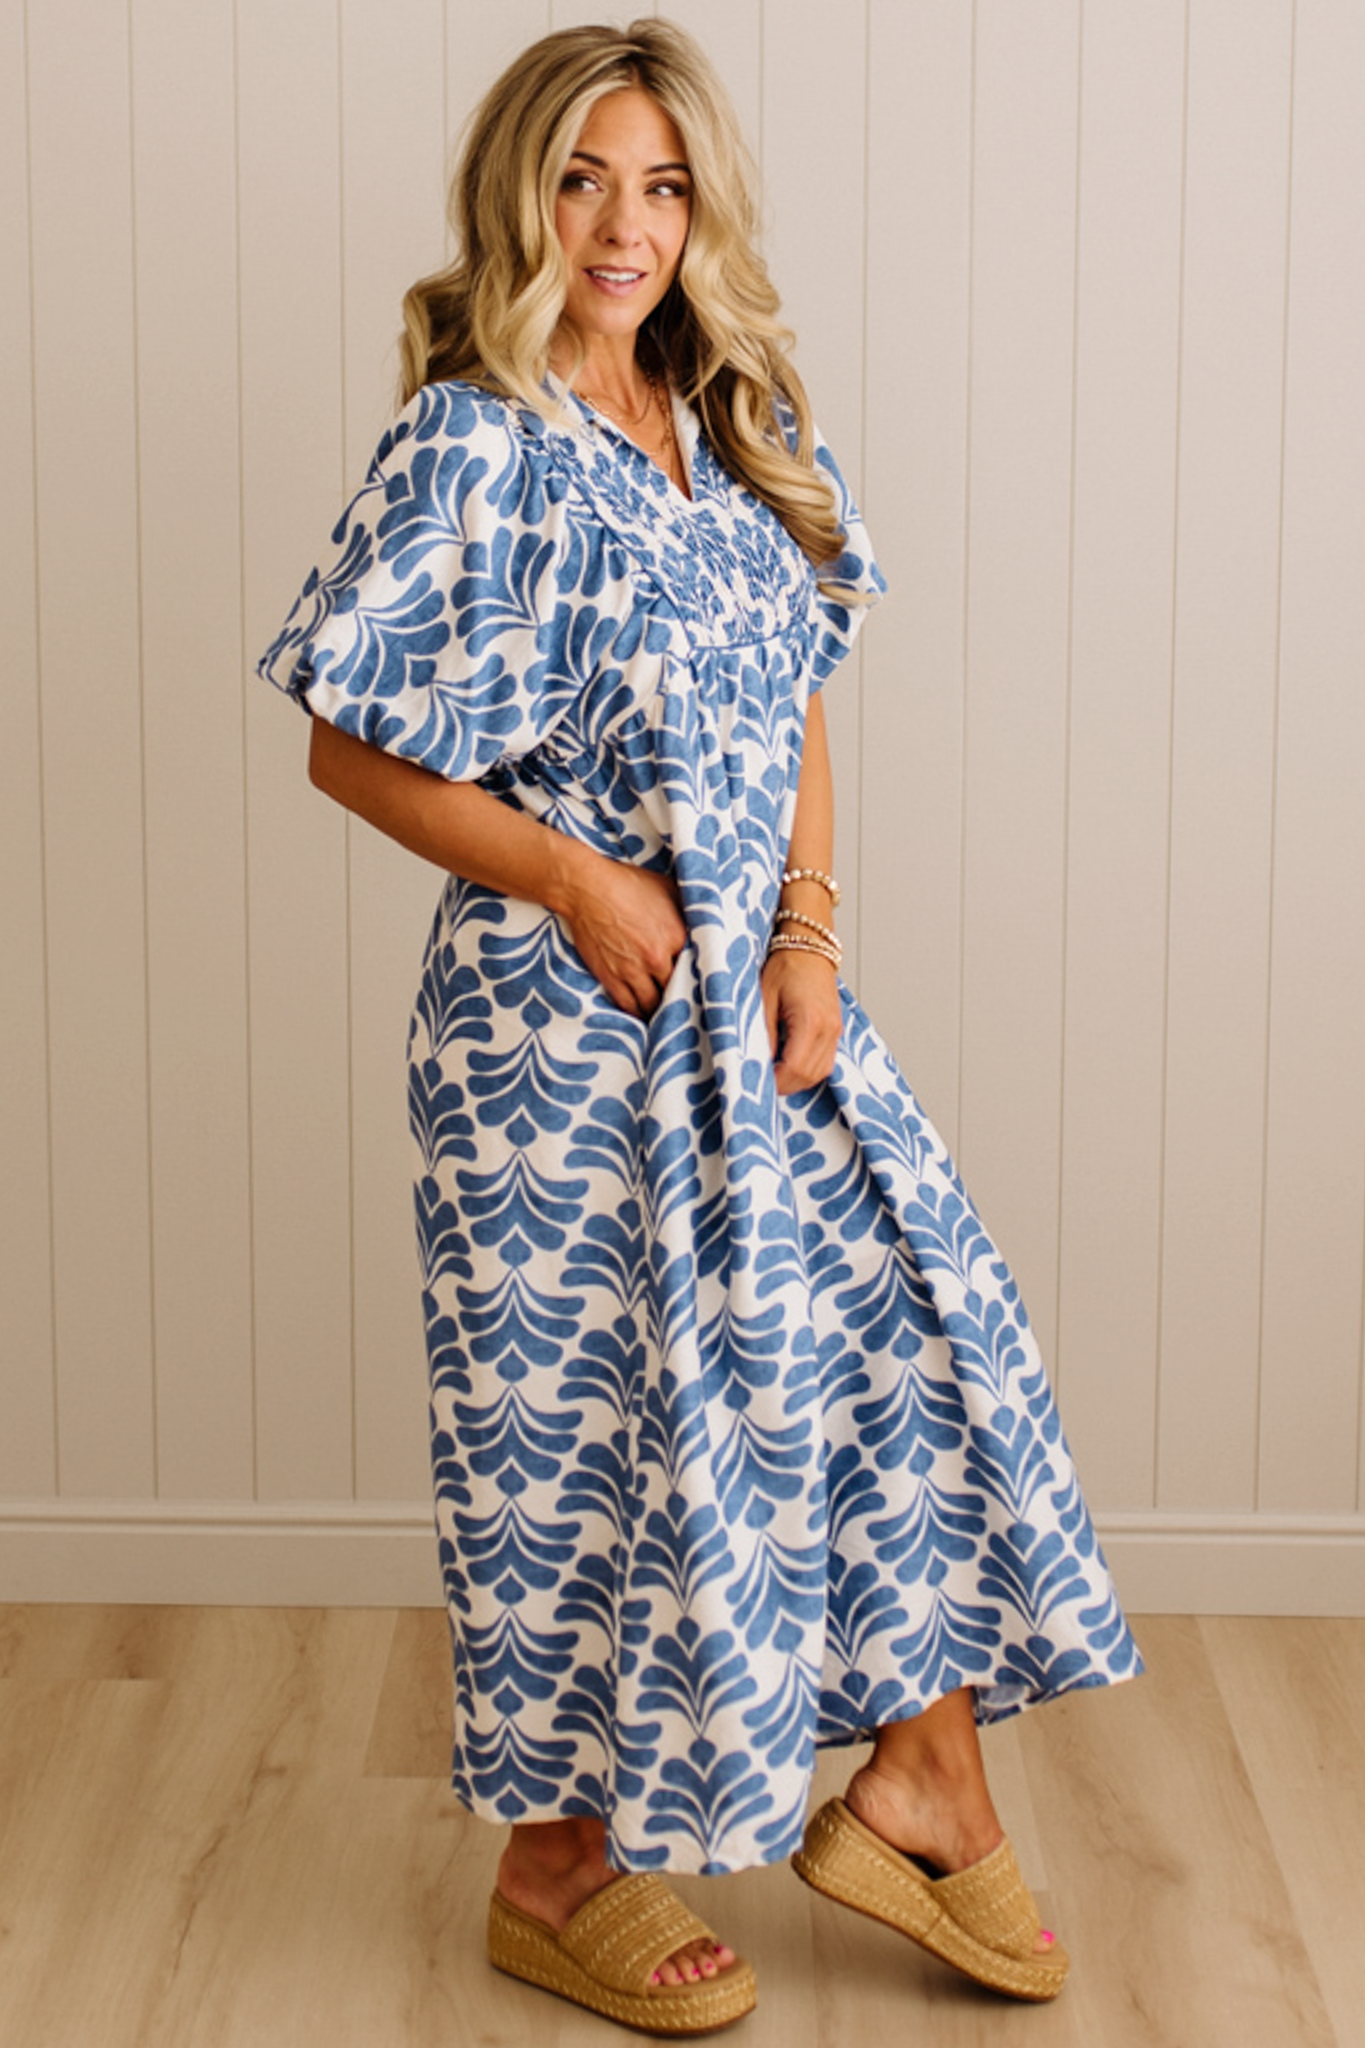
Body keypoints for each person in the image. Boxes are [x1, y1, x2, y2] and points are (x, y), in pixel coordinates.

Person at [260, 18, 1141, 2035]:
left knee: (904, 1354)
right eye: (583, 180)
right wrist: (575, 879)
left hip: (762, 1011)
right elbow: (343, 743)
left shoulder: (740, 423)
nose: (623, 225)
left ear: (702, 210)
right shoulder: (470, 439)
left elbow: (807, 695)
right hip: (555, 1037)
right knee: (583, 1448)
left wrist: (811, 935)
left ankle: (920, 1774)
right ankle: (555, 1871)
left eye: (660, 186)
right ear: (520, 195)